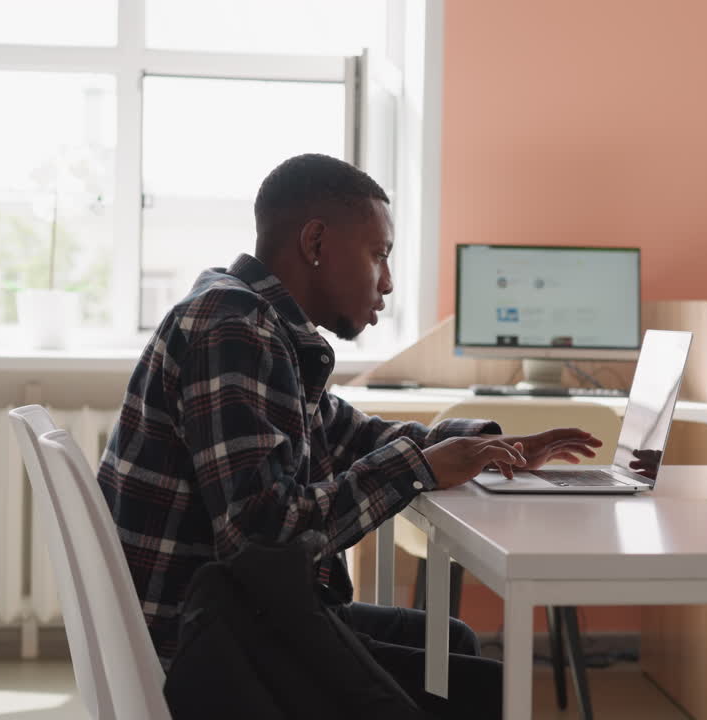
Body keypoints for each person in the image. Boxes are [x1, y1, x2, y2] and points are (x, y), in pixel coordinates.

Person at [98, 153, 603, 718]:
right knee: (488, 692)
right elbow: (263, 535)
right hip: (207, 645)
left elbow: (353, 435)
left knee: (452, 645)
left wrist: (488, 446)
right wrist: (424, 466)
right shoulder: (234, 327)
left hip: (228, 616)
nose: (386, 282)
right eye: (378, 254)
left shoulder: (256, 321)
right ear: (315, 243)